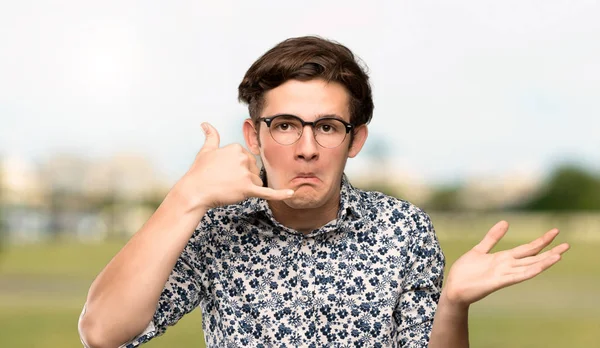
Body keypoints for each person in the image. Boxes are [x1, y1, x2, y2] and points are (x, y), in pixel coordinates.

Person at [78, 36, 570, 348]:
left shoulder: (403, 230)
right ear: (254, 137)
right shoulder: (214, 227)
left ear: (355, 140)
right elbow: (101, 334)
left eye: (328, 127)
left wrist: (454, 304)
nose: (307, 149)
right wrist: (185, 197)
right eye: (286, 125)